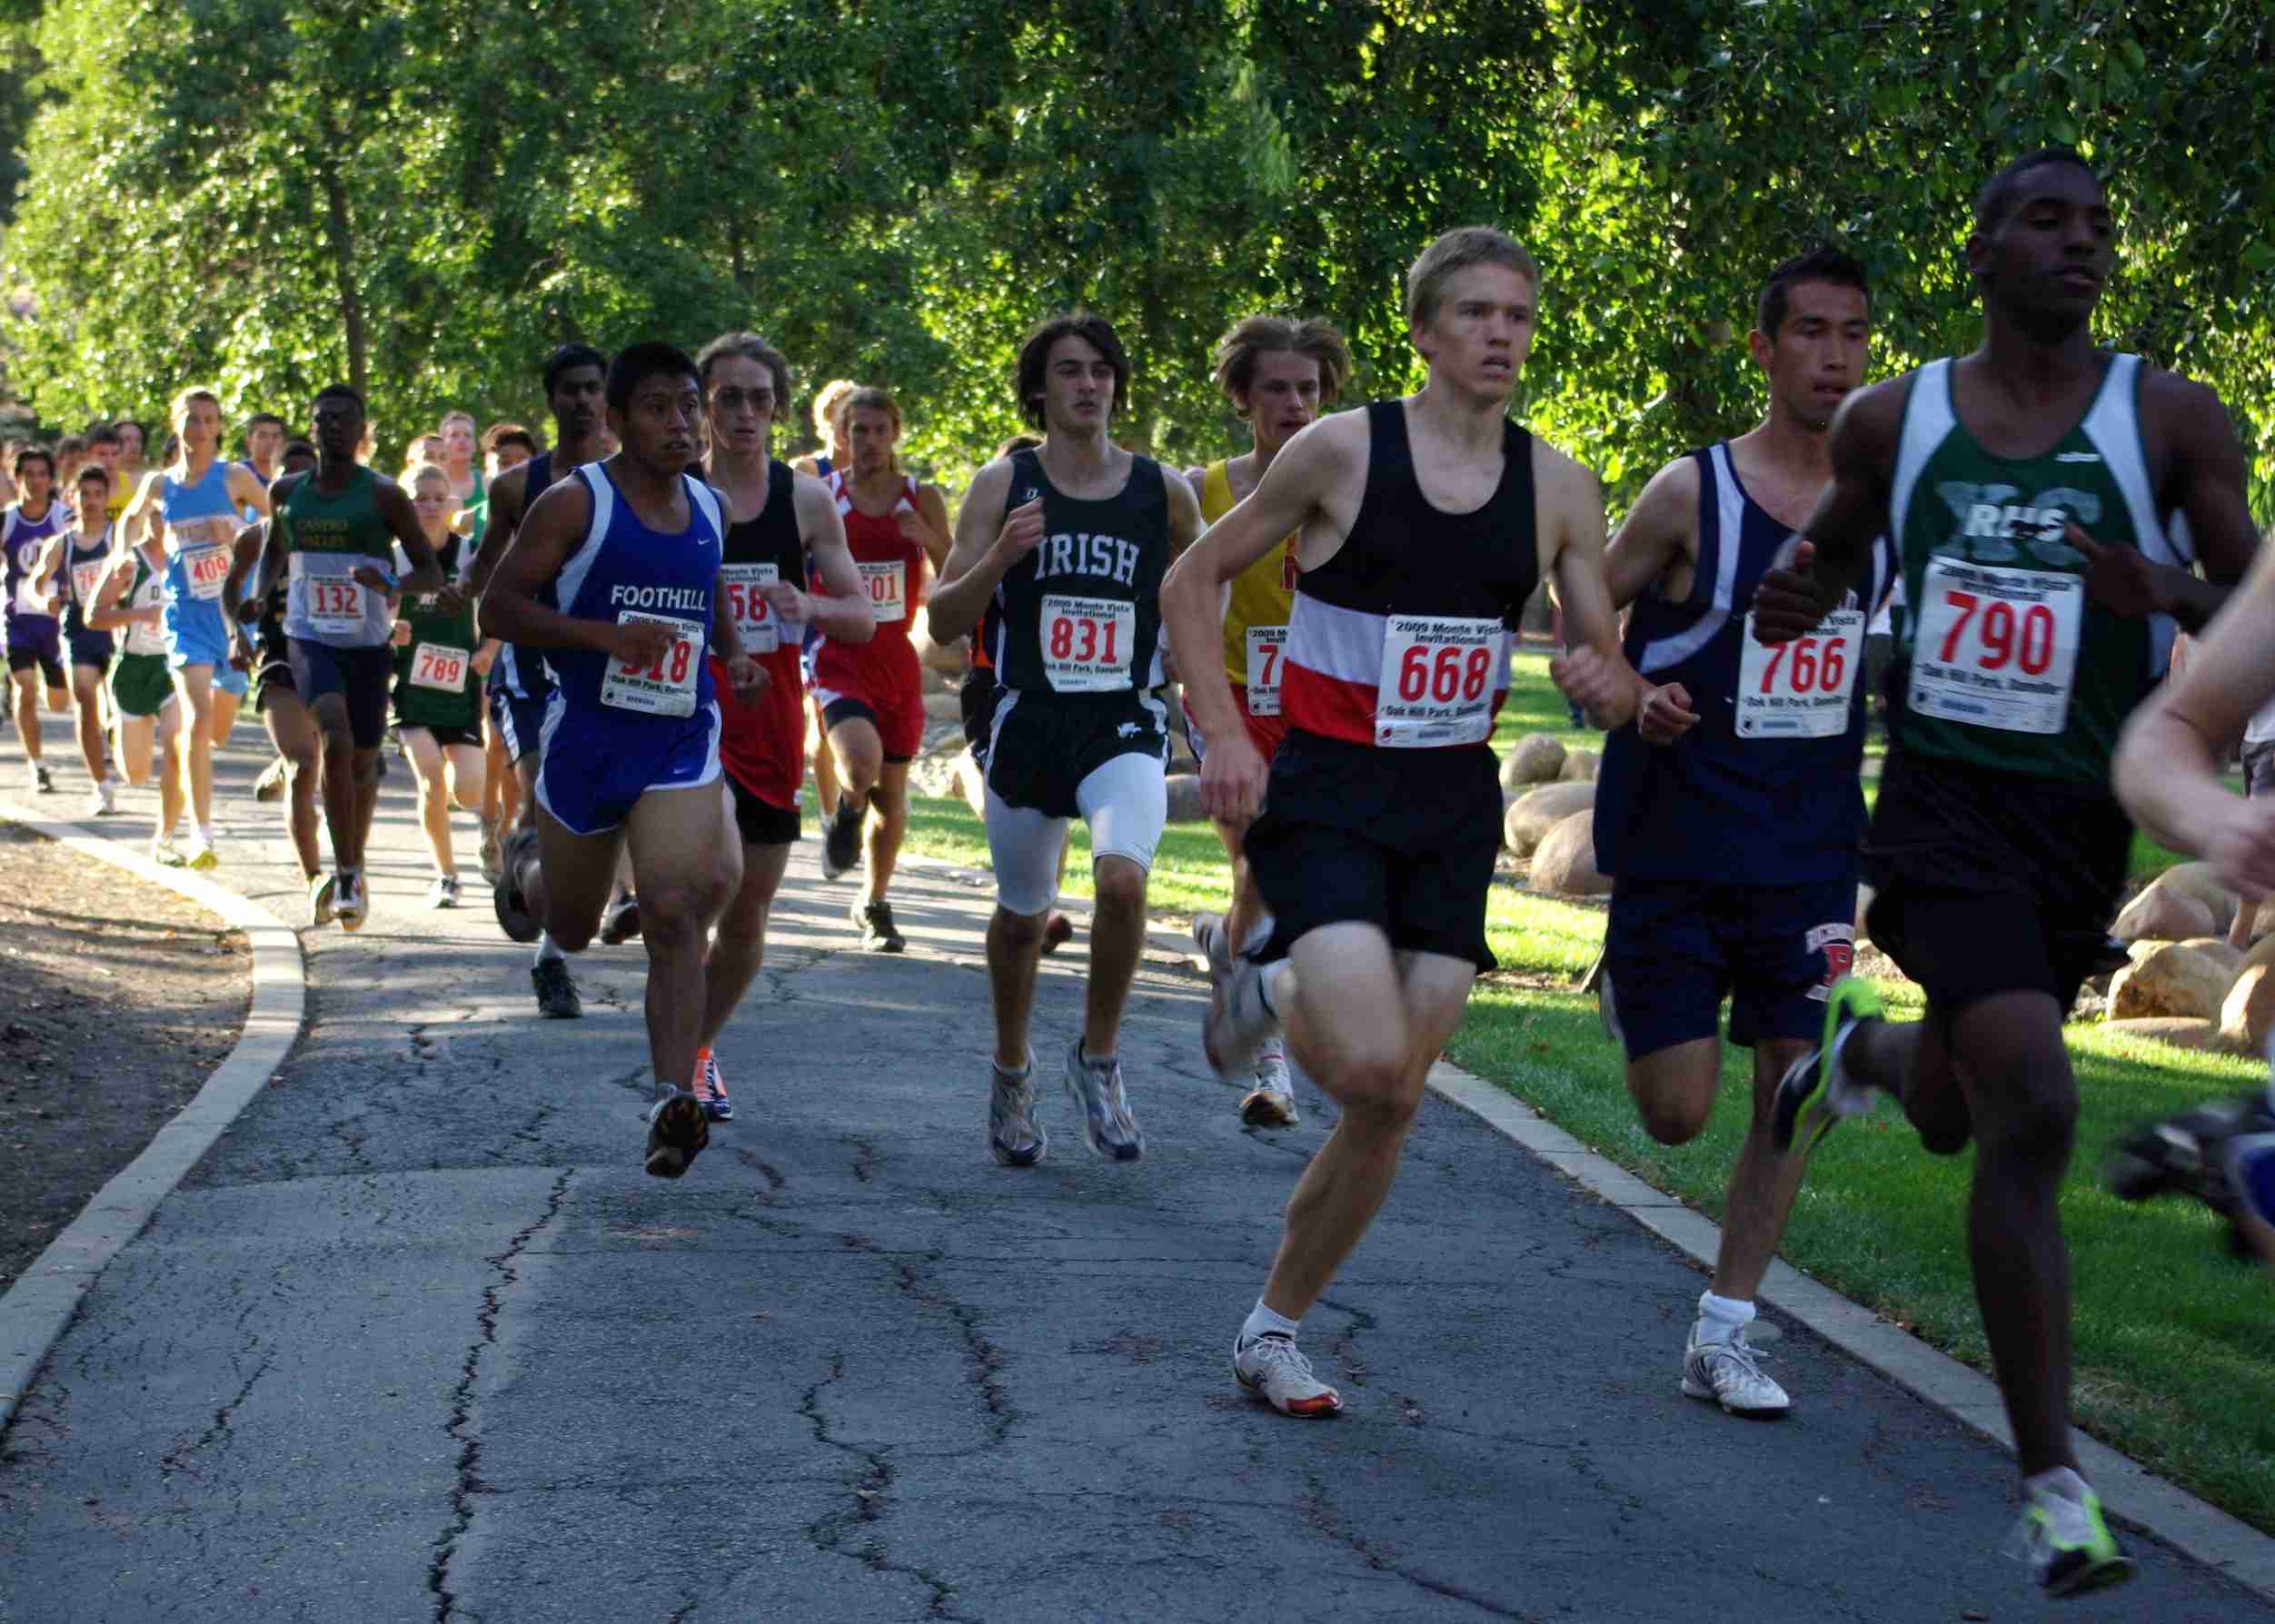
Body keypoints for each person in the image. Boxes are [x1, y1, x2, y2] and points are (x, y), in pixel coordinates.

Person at [1753, 150, 2260, 1596]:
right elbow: (1824, 566)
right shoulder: (1892, 419)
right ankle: (2053, 1486)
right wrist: (1800, 591)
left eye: (2099, 225)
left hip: (2076, 826)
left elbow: (2253, 601)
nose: (2081, 244)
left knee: (1960, 1109)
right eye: (2048, 220)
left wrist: (2164, 592)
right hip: (1937, 811)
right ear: (1978, 250)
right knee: (2034, 1100)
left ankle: (1867, 1055)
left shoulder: (2166, 419)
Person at [1158, 226, 1647, 1418]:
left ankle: (1273, 1332)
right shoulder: (1338, 453)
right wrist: (1225, 732)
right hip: (1323, 789)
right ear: (1425, 334)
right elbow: (1190, 582)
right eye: (1474, 314)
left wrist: (1610, 688)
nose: (1499, 335)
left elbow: (1606, 661)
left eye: (1517, 317)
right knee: (1373, 1060)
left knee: (1393, 1097)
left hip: (1447, 804)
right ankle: (1268, 988)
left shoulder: (1560, 487)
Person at [1591, 247, 1890, 1417]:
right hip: (1676, 837)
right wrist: (1627, 692)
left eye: (1852, 334)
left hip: (1808, 840)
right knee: (1675, 1117)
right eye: (1808, 332)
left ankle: (1725, 1331)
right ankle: (1634, 989)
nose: (1832, 355)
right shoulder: (1688, 493)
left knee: (1795, 1081)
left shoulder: (1880, 508)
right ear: (1763, 350)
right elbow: (1580, 617)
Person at [481, 341, 762, 1178]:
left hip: (677, 734)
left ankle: (672, 1101)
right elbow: (500, 605)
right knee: (568, 924)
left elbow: (706, 594)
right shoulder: (576, 506)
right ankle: (522, 860)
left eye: (690, 406)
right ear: (617, 419)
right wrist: (605, 638)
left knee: (674, 908)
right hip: (587, 742)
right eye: (658, 408)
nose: (680, 423)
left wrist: (736, 653)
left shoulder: (712, 508)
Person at [929, 312, 1204, 1166]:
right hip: (1027, 714)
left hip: (1122, 714)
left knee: (1123, 882)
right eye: (1070, 371)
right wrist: (1000, 558)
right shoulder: (1000, 484)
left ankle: (1101, 1057)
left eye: (1101, 370)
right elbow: (941, 620)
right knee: (1023, 914)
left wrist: (1193, 676)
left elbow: (1202, 586)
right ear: (1039, 391)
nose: (1088, 385)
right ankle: (1012, 1070)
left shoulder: (1163, 491)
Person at [690, 332, 871, 1118]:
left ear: (778, 409)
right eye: (727, 396)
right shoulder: (676, 489)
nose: (743, 412)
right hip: (683, 713)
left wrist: (813, 606)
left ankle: (695, 1050)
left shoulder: (803, 499)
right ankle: (646, 896)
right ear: (703, 406)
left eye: (758, 398)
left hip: (767, 723)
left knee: (746, 914)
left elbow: (863, 615)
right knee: (706, 877)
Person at [1179, 314, 1353, 1128]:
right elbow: (1190, 588)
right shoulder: (1205, 490)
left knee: (1268, 877)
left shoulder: (1345, 487)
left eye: (1308, 389)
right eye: (1276, 388)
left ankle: (1230, 948)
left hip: (1319, 709)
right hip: (1237, 707)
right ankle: (1272, 1066)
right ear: (1243, 397)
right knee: (1265, 863)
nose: (1294, 403)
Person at [247, 384, 448, 927]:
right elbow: (275, 552)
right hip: (309, 636)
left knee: (362, 761)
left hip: (367, 642)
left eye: (344, 419)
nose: (333, 426)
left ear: (361, 432)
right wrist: (261, 590)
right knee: (332, 740)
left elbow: (430, 572)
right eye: (323, 419)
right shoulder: (286, 491)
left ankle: (354, 864)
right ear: (311, 431)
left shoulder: (384, 495)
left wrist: (387, 582)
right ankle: (344, 871)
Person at [468, 343, 612, 1018]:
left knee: (602, 810)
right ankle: (549, 953)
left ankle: (589, 895)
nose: (582, 400)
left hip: (611, 669)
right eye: (570, 390)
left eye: (593, 389)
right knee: (541, 798)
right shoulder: (515, 488)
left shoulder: (635, 477)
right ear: (551, 400)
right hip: (529, 672)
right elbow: (483, 581)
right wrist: (447, 599)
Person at [811, 387, 952, 951]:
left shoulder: (922, 497)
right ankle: (846, 810)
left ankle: (874, 903)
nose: (868, 441)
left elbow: (958, 568)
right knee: (860, 762)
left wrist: (929, 539)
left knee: (892, 800)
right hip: (839, 656)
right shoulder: (821, 497)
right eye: (857, 431)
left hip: (897, 660)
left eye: (879, 430)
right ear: (841, 436)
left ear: (895, 433)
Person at [116, 390, 270, 869]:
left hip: (233, 619)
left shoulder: (236, 477)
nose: (199, 428)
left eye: (208, 420)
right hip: (184, 617)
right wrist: (125, 552)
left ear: (219, 428)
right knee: (197, 723)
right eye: (191, 418)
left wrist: (244, 538)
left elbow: (278, 522)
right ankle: (202, 834)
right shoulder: (163, 484)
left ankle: (188, 806)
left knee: (217, 730)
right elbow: (130, 518)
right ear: (176, 423)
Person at [959, 433, 1076, 956]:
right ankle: (1027, 897)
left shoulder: (1068, 538)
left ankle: (1043, 905)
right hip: (990, 683)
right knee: (1007, 795)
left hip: (1057, 687)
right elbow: (950, 603)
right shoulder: (989, 532)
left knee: (1054, 802)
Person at [224, 440, 328, 896]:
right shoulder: (256, 536)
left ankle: (285, 766)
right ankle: (315, 878)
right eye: (287, 477)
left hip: (334, 655)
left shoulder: (340, 534)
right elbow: (230, 591)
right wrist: (237, 633)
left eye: (307, 477)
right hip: (281, 655)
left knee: (337, 759)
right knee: (305, 766)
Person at [389, 464, 496, 907]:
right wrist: (389, 628)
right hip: (409, 691)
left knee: (468, 790)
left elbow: (498, 613)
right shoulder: (393, 558)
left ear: (453, 504)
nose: (430, 506)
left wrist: (488, 650)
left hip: (461, 694)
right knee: (431, 779)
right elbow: (371, 616)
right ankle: (446, 875)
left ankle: (491, 823)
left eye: (438, 498)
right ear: (405, 504)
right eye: (420, 498)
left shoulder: (470, 553)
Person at [459, 422, 537, 876]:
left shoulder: (550, 512)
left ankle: (506, 830)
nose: (511, 470)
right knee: (492, 746)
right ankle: (490, 827)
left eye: (519, 462)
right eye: (502, 462)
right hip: (476, 636)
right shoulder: (475, 521)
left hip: (524, 638)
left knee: (511, 749)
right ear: (486, 468)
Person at [85, 525, 187, 861]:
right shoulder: (129, 562)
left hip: (174, 667)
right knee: (136, 774)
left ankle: (165, 838)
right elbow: (92, 617)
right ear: (147, 515)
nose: (166, 520)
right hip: (133, 669)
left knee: (179, 746)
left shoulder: (189, 555)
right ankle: (116, 727)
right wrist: (141, 614)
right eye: (158, 513)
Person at [33, 461, 125, 812]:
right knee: (85, 698)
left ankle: (119, 733)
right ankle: (100, 784)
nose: (90, 501)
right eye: (84, 494)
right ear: (72, 497)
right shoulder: (62, 543)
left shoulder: (118, 537)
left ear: (107, 497)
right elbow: (38, 580)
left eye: (98, 494)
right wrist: (45, 598)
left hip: (117, 624)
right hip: (78, 626)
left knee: (118, 701)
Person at [793, 378, 857, 822]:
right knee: (819, 714)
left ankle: (849, 806)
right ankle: (833, 815)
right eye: (840, 417)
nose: (847, 426)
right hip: (812, 607)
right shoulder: (807, 471)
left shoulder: (884, 479)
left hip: (859, 608)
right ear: (826, 421)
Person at [4, 447, 72, 795]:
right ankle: (37, 764)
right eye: (27, 474)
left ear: (51, 478)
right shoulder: (8, 520)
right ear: (17, 479)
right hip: (18, 620)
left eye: (41, 474)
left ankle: (53, 686)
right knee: (24, 687)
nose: (35, 481)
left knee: (59, 703)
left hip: (56, 623)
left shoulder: (63, 517)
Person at [438, 410, 481, 506]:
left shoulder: (488, 484)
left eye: (468, 435)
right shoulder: (431, 482)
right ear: (442, 444)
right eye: (454, 435)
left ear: (474, 445)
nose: (462, 440)